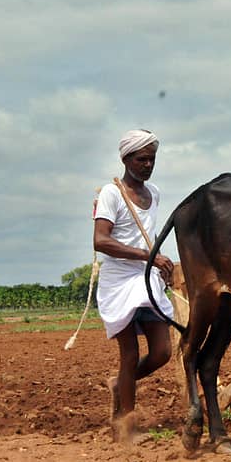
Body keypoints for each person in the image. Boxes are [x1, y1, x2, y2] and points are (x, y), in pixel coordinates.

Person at [93, 128, 176, 443]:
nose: (148, 164)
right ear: (126, 159)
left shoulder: (154, 193)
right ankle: (126, 427)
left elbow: (148, 234)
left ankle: (119, 384)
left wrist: (160, 261)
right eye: (142, 159)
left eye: (152, 159)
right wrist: (148, 255)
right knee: (129, 354)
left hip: (146, 278)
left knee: (162, 352)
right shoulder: (111, 194)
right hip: (119, 282)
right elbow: (101, 241)